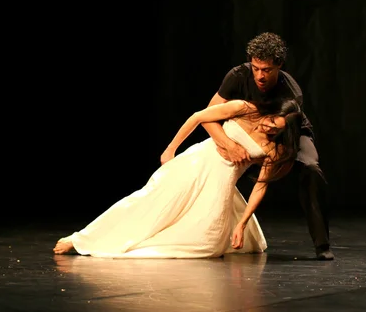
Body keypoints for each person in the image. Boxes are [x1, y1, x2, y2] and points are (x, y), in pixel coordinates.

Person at [53, 98, 303, 258]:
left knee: (209, 244)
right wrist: (170, 149)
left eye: (277, 128)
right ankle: (81, 239)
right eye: (271, 120)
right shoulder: (244, 109)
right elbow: (198, 117)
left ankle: (141, 242)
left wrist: (242, 223)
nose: (269, 127)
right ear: (270, 111)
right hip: (194, 164)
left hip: (220, 184)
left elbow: (260, 187)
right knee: (148, 204)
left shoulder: (273, 149)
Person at [201, 32, 334, 260]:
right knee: (211, 165)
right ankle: (210, 237)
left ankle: (322, 245)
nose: (260, 76)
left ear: (279, 66)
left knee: (310, 168)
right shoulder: (238, 76)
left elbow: (282, 136)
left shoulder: (290, 92)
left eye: (267, 70)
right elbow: (207, 115)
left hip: (288, 132)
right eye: (256, 69)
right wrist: (227, 144)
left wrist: (268, 154)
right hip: (251, 132)